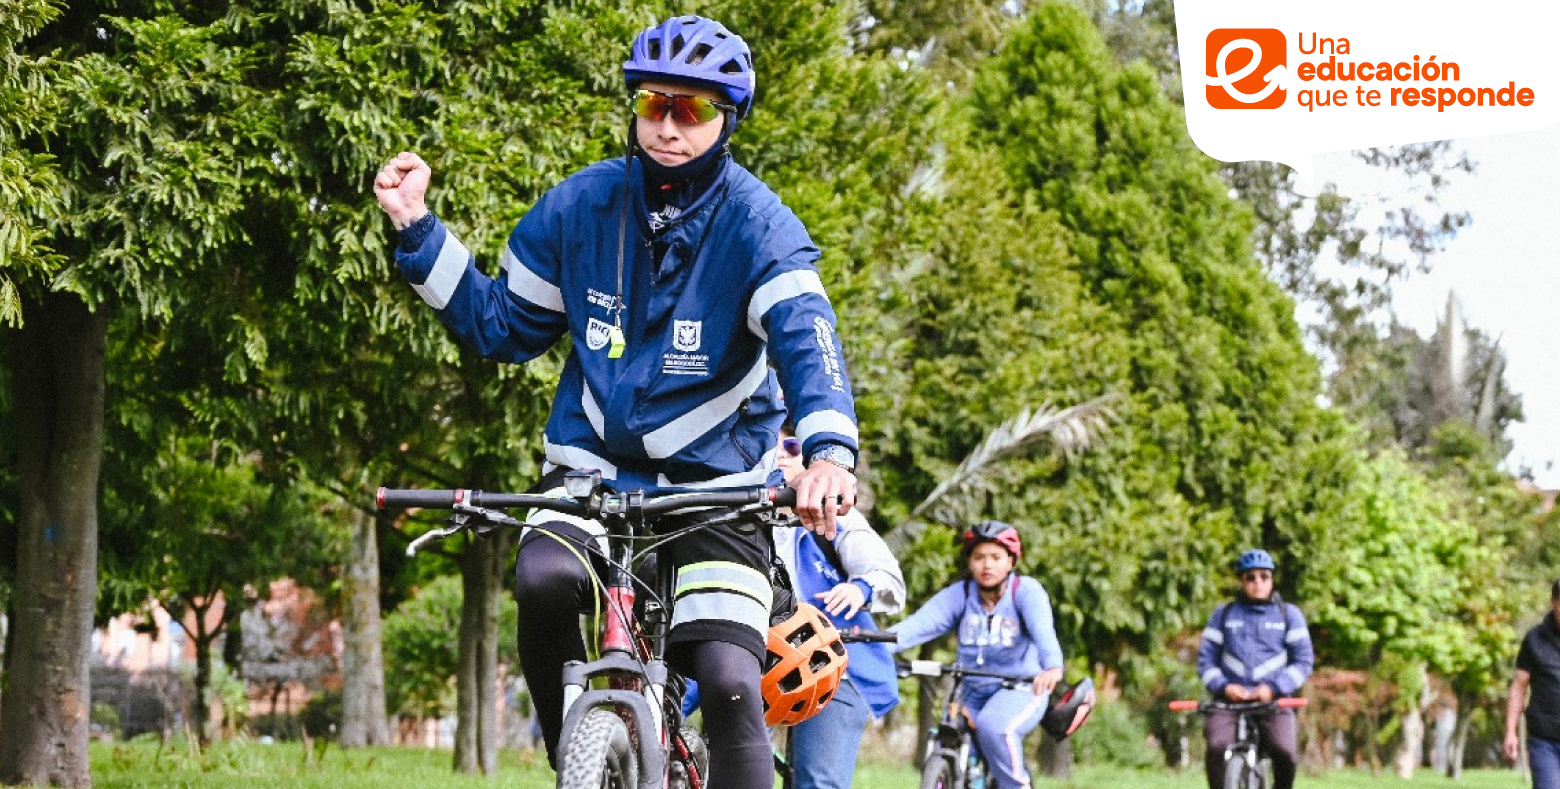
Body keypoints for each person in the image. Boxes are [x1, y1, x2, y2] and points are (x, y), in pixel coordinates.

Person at [373, 15, 860, 789]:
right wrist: (416, 229)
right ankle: (580, 756)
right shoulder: (580, 207)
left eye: (691, 110)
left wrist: (830, 454)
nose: (668, 125)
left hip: (719, 485)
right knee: (542, 580)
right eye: (654, 104)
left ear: (727, 120)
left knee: (730, 680)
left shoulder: (761, 225)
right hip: (591, 472)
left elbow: (809, 339)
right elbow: (502, 325)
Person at [771, 425, 905, 789]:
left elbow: (888, 578)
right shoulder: (735, 520)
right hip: (758, 665)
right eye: (769, 443)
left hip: (834, 667)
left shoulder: (835, 514)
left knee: (818, 781)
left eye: (791, 445)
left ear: (808, 459)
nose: (780, 452)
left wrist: (861, 589)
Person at [890, 521, 1064, 789]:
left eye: (996, 557)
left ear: (1011, 561)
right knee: (947, 732)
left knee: (994, 727)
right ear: (969, 561)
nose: (987, 565)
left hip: (1020, 688)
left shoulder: (1025, 592)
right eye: (979, 557)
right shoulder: (961, 594)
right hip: (971, 690)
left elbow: (1044, 633)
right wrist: (874, 647)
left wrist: (1052, 667)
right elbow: (917, 626)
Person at [1194, 549, 1313, 789]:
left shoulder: (1289, 615)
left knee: (1285, 752)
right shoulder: (1223, 614)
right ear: (1241, 581)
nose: (1258, 582)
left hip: (1273, 702)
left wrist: (1273, 688)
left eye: (1264, 576)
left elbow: (1303, 661)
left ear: (1272, 580)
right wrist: (1224, 687)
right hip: (1227, 702)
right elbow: (1205, 660)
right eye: (1250, 577)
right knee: (1216, 747)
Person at [1504, 579, 1560, 789]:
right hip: (1544, 741)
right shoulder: (1535, 639)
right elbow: (1519, 686)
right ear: (1554, 602)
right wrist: (1510, 732)